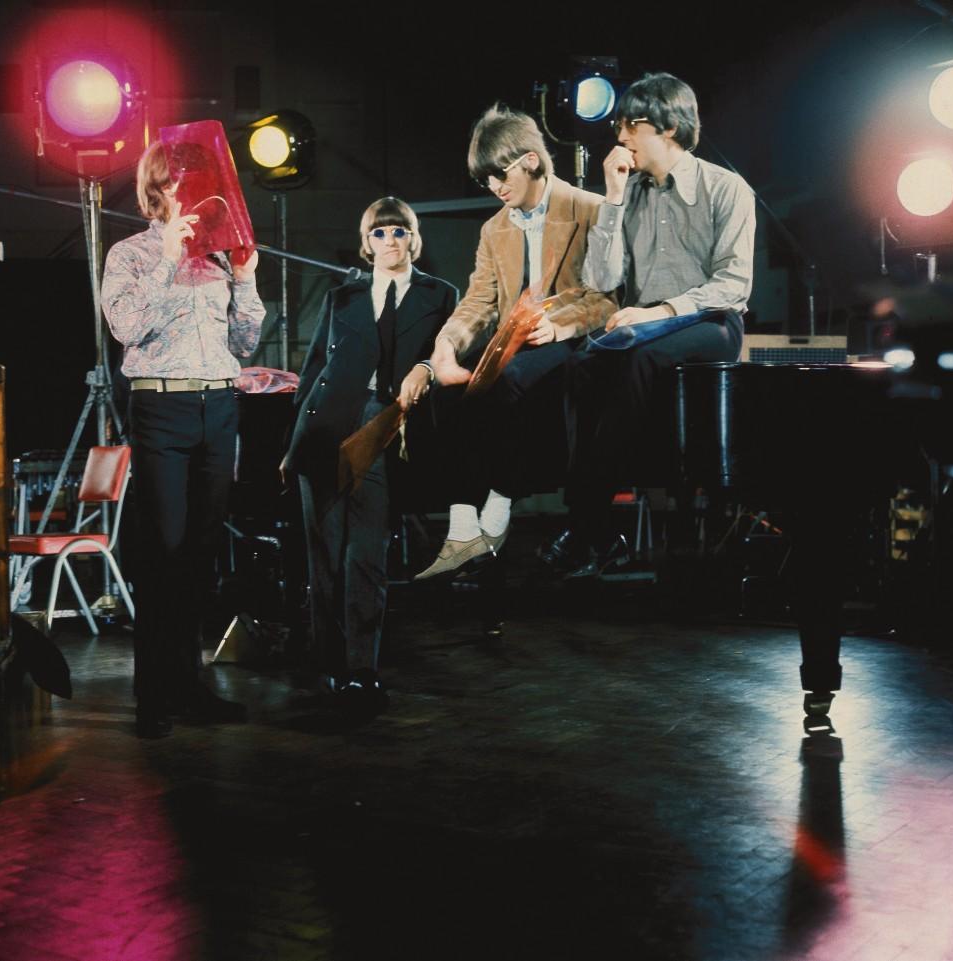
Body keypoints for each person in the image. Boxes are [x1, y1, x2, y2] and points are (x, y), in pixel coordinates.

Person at [544, 71, 756, 580]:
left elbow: (733, 286)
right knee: (580, 366)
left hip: (708, 321)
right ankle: (595, 527)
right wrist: (613, 197)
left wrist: (661, 312)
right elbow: (601, 278)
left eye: (630, 124)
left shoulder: (725, 190)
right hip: (641, 324)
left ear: (667, 127)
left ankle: (586, 526)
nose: (620, 136)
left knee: (637, 358)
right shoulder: (630, 192)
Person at [102, 141, 265, 739]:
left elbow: (244, 343)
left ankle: (190, 686)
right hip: (160, 404)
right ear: (156, 189)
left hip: (217, 404)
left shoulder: (220, 257)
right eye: (176, 181)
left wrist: (245, 281)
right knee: (162, 552)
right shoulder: (131, 252)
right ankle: (153, 694)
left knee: (199, 554)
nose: (187, 189)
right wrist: (168, 260)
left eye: (195, 179)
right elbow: (124, 327)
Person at [412, 104, 615, 579]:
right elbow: (478, 302)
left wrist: (561, 326)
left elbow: (609, 298)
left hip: (571, 343)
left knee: (507, 385)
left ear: (530, 160)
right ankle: (467, 530)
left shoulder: (590, 209)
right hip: (515, 345)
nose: (494, 188)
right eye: (485, 181)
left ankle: (495, 517)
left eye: (500, 174)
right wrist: (446, 345)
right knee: (450, 394)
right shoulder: (493, 229)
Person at [282, 197, 457, 717]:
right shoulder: (342, 298)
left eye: (398, 231)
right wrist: (290, 449)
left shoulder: (439, 295)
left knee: (365, 553)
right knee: (323, 555)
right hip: (322, 435)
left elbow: (454, 355)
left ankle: (362, 669)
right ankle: (327, 663)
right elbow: (312, 373)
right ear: (366, 242)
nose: (389, 241)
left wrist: (425, 366)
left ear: (414, 238)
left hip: (384, 431)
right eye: (378, 233)